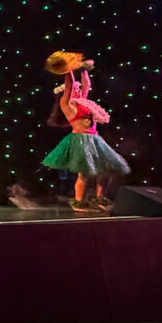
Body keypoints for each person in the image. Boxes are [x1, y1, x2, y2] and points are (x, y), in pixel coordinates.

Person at [43, 57, 130, 210]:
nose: (78, 89)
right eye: (75, 89)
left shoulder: (83, 102)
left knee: (106, 170)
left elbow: (87, 85)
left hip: (95, 139)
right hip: (80, 140)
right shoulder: (67, 104)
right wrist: (68, 68)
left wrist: (83, 71)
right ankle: (78, 201)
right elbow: (69, 85)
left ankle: (100, 197)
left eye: (78, 88)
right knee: (84, 174)